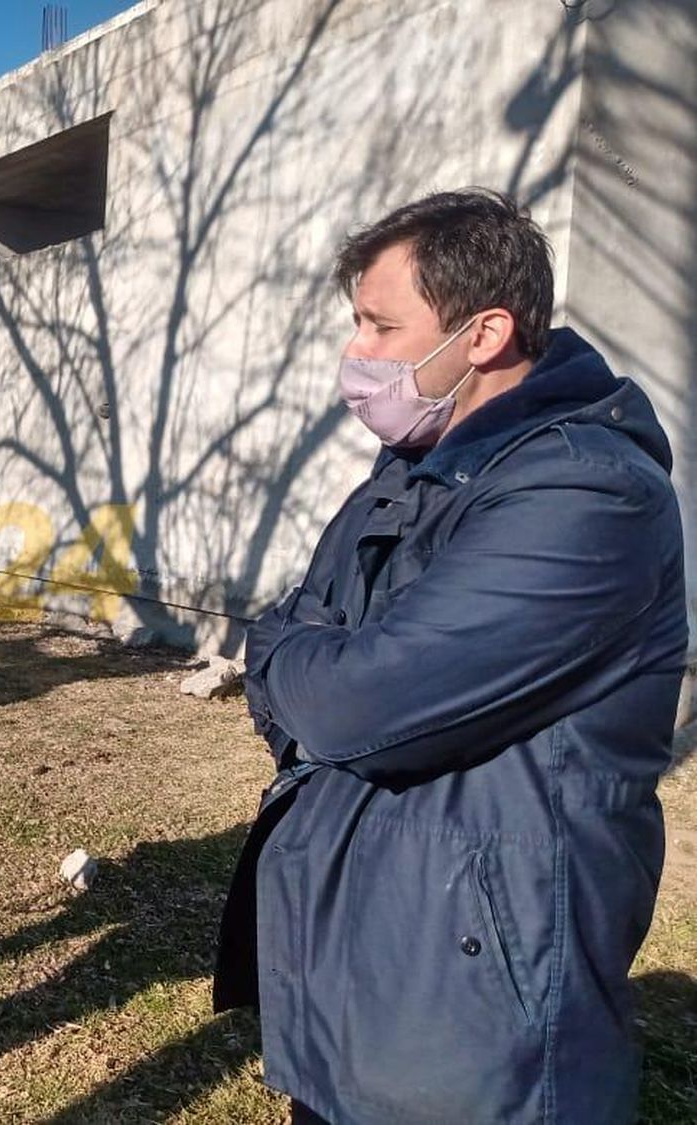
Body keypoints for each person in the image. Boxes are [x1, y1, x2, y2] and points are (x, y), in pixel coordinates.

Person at [213, 190, 687, 1124]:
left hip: (477, 1002)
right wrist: (302, 671)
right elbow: (286, 638)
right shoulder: (411, 468)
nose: (358, 353)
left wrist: (306, 674)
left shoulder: (587, 492)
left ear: (483, 333)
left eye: (381, 325)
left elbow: (353, 707)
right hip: (363, 965)